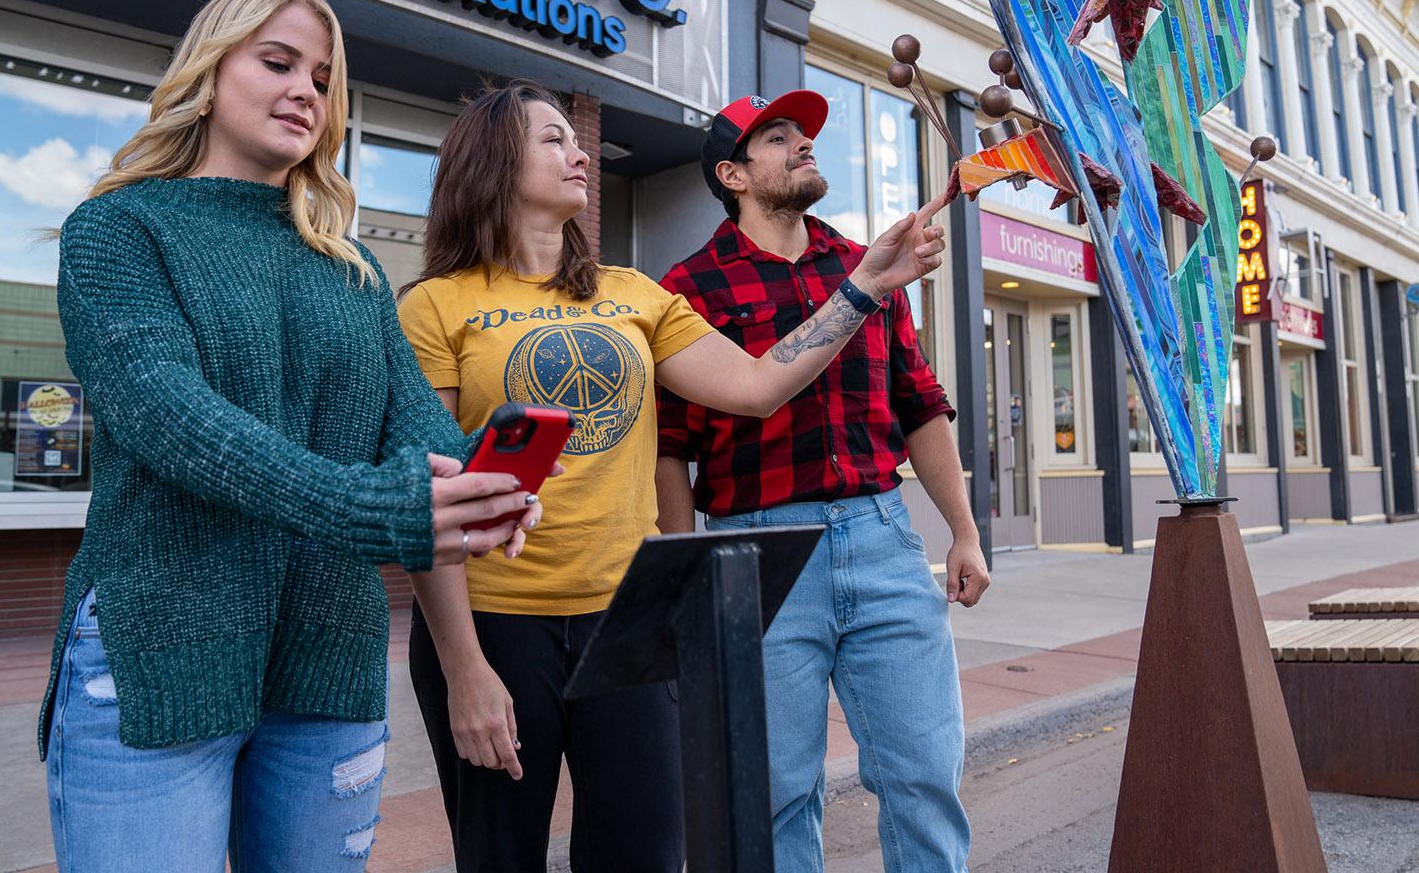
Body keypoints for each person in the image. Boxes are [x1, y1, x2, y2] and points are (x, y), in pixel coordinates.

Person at [40, 0, 541, 873]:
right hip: (160, 649)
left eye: (322, 78)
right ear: (208, 71)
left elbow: (416, 436)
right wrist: (372, 508)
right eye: (277, 63)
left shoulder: (350, 273)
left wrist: (479, 484)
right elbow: (169, 417)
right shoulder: (118, 231)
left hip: (328, 659)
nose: (305, 91)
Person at [397, 80, 946, 872]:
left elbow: (758, 385)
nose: (578, 151)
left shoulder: (634, 295)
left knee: (645, 853)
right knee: (501, 856)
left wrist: (863, 289)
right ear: (490, 160)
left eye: (572, 138)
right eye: (552, 139)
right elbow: (432, 497)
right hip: (496, 621)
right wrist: (463, 668)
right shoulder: (437, 307)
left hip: (627, 619)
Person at [655, 91, 991, 873]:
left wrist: (964, 533)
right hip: (756, 554)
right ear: (733, 174)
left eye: (803, 136)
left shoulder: (862, 267)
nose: (803, 146)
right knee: (773, 793)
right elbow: (669, 446)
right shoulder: (688, 287)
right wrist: (683, 576)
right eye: (779, 139)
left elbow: (920, 404)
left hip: (883, 537)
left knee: (925, 775)